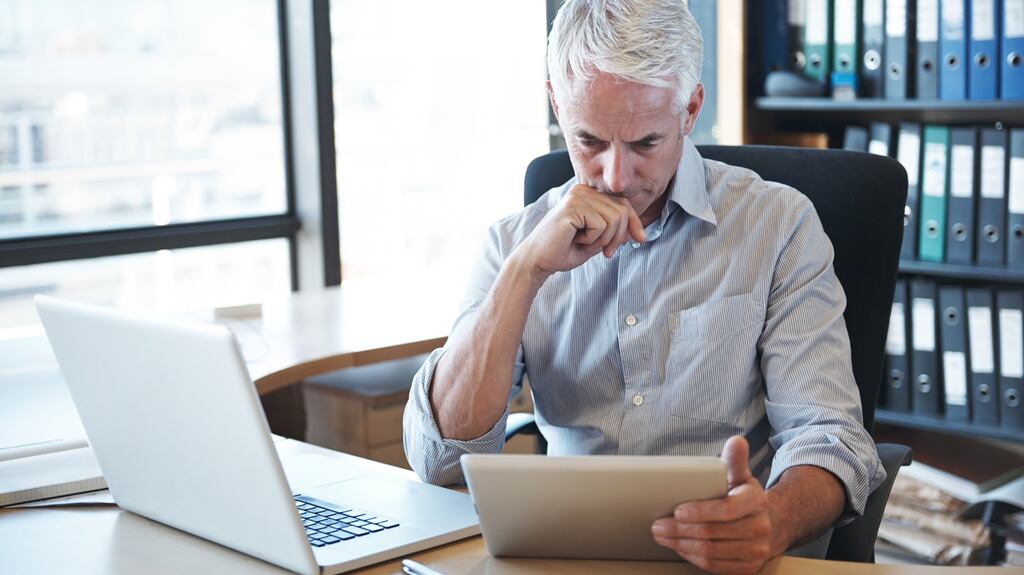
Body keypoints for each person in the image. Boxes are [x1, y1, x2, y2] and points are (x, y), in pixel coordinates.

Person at [403, 0, 886, 572]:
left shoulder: (779, 226)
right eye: (588, 141)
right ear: (558, 104)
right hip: (567, 559)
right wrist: (524, 273)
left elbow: (830, 437)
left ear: (690, 108)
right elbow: (441, 457)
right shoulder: (516, 243)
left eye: (644, 144)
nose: (615, 178)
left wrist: (774, 518)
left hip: (728, 564)